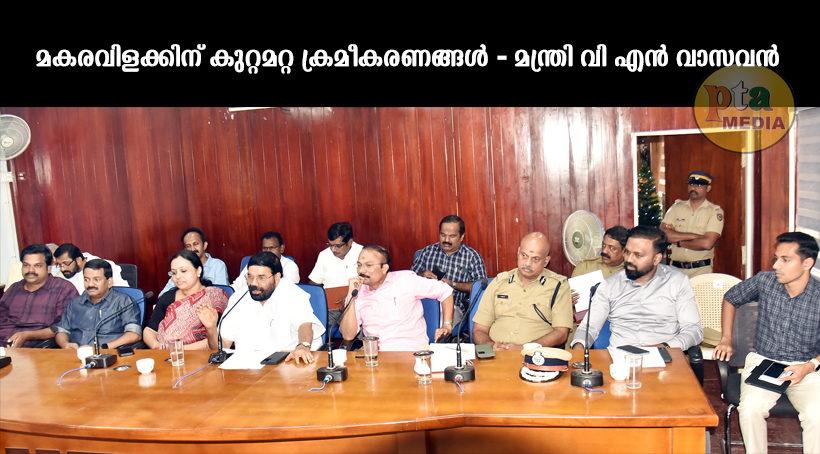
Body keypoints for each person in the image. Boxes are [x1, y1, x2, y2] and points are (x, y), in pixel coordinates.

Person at [713, 232, 820, 454]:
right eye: (776, 258)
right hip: (765, 361)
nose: (776, 265)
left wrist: (810, 366)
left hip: (807, 367)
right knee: (750, 409)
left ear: (807, 263)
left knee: (816, 415)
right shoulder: (764, 281)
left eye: (785, 260)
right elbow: (731, 298)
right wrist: (726, 339)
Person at [571, 226, 703, 350]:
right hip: (620, 358)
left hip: (664, 356)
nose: (629, 259)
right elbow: (589, 327)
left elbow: (693, 329)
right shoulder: (610, 285)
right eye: (627, 252)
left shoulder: (677, 282)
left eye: (638, 255)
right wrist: (579, 346)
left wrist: (665, 347)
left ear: (656, 259)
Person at [201, 252, 324, 364]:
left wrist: (303, 345)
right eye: (250, 277)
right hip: (248, 368)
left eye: (261, 278)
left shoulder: (294, 294)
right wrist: (211, 329)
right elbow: (221, 348)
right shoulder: (238, 299)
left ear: (276, 278)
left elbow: (305, 325)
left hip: (289, 362)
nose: (254, 283)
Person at [340, 245, 454, 351]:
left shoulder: (406, 280)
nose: (361, 271)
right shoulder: (358, 292)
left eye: (368, 265)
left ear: (384, 268)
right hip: (375, 355)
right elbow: (348, 335)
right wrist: (350, 296)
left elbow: (445, 290)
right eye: (359, 265)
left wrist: (447, 325)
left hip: (409, 351)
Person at [472, 232, 573, 351]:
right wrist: (492, 346)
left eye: (535, 259)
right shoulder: (499, 282)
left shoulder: (558, 286)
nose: (528, 263)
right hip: (496, 355)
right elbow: (479, 330)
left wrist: (524, 348)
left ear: (546, 261)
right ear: (518, 252)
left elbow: (561, 333)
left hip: (536, 356)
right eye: (524, 255)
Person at [411, 215, 487, 329]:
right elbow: (408, 281)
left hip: (454, 308)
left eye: (452, 236)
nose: (446, 240)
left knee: (437, 328)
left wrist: (453, 284)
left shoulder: (472, 257)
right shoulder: (428, 252)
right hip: (424, 304)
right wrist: (422, 275)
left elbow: (480, 287)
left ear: (462, 237)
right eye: (443, 235)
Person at [143, 250, 229, 350]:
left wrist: (179, 349)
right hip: (165, 354)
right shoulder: (167, 297)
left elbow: (219, 337)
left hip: (201, 355)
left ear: (198, 271)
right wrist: (158, 347)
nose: (178, 276)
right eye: (174, 273)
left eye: (183, 271)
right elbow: (150, 330)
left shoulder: (214, 297)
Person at [1, 244, 78, 348]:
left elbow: (62, 328)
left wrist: (27, 335)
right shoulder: (13, 289)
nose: (30, 270)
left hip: (37, 350)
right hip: (4, 347)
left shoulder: (64, 289)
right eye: (26, 265)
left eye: (37, 266)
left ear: (48, 268)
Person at [54, 260, 142, 349]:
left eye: (97, 279)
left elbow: (134, 334)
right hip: (75, 353)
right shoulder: (75, 303)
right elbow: (61, 331)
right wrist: (65, 344)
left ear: (109, 282)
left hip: (107, 354)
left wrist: (101, 348)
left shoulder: (124, 302)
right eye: (86, 279)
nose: (90, 284)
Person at [660, 170, 724, 277]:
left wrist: (678, 242)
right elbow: (664, 235)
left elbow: (707, 243)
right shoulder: (676, 208)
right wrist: (696, 236)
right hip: (675, 270)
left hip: (700, 271)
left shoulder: (714, 212)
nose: (693, 188)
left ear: (708, 188)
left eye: (698, 185)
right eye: (691, 184)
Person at [308, 222, 364, 327]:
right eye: (330, 245)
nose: (333, 249)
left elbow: (371, 285)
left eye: (338, 246)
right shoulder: (324, 255)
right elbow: (314, 284)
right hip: (328, 309)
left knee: (355, 325)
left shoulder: (363, 253)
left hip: (355, 306)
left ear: (350, 242)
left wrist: (349, 297)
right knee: (307, 324)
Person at [159, 228, 229, 296]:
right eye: (188, 246)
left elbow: (222, 293)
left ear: (204, 245)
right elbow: (162, 295)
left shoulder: (218, 265)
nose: (192, 249)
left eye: (196, 244)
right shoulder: (180, 267)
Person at [570, 225, 629, 306]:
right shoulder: (584, 267)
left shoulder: (630, 272)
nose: (604, 251)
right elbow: (569, 300)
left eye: (611, 248)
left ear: (624, 251)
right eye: (604, 245)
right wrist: (569, 301)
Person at [52, 243, 129, 294]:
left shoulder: (104, 266)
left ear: (78, 260)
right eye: (59, 265)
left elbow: (124, 291)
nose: (62, 269)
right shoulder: (63, 275)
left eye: (66, 264)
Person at [232, 231, 299, 289]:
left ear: (282, 248)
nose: (268, 251)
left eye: (272, 247)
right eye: (265, 248)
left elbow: (288, 288)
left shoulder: (289, 265)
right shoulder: (254, 264)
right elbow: (237, 286)